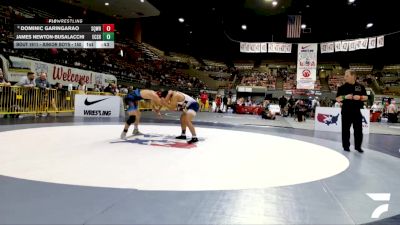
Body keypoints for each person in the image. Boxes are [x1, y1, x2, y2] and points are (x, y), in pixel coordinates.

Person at [336, 69, 368, 153]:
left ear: (353, 76)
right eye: (345, 76)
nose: (344, 77)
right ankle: (346, 146)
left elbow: (366, 97)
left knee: (358, 130)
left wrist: (360, 97)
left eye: (347, 76)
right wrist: (345, 97)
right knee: (345, 130)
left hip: (357, 112)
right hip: (346, 111)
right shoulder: (342, 87)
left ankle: (358, 147)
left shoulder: (360, 87)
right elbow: (337, 98)